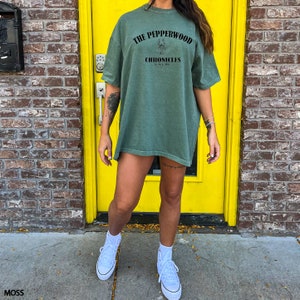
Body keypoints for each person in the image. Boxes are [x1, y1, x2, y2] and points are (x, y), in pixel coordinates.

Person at [96, 0, 220, 299]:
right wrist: (105, 132)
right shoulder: (129, 23)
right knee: (124, 202)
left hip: (177, 125)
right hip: (138, 123)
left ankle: (165, 258)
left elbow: (201, 83)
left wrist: (211, 128)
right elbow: (112, 83)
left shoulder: (193, 23)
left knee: (172, 195)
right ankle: (111, 242)